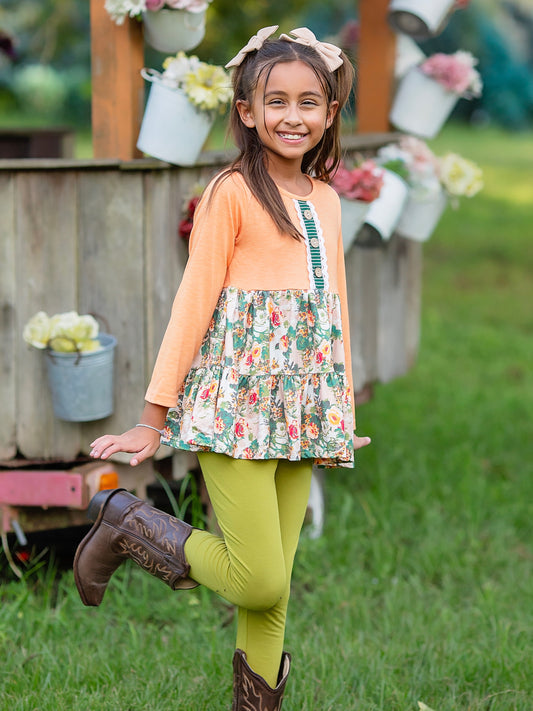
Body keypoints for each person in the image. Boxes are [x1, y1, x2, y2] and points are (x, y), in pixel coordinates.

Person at [74, 25, 371, 710]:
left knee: (276, 586)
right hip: (234, 403)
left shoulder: (324, 198)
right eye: (275, 101)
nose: (291, 116)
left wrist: (338, 411)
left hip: (302, 407)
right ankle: (128, 523)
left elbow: (333, 308)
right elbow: (191, 304)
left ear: (329, 113)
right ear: (245, 110)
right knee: (258, 578)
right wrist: (155, 417)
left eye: (308, 102)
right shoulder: (232, 193)